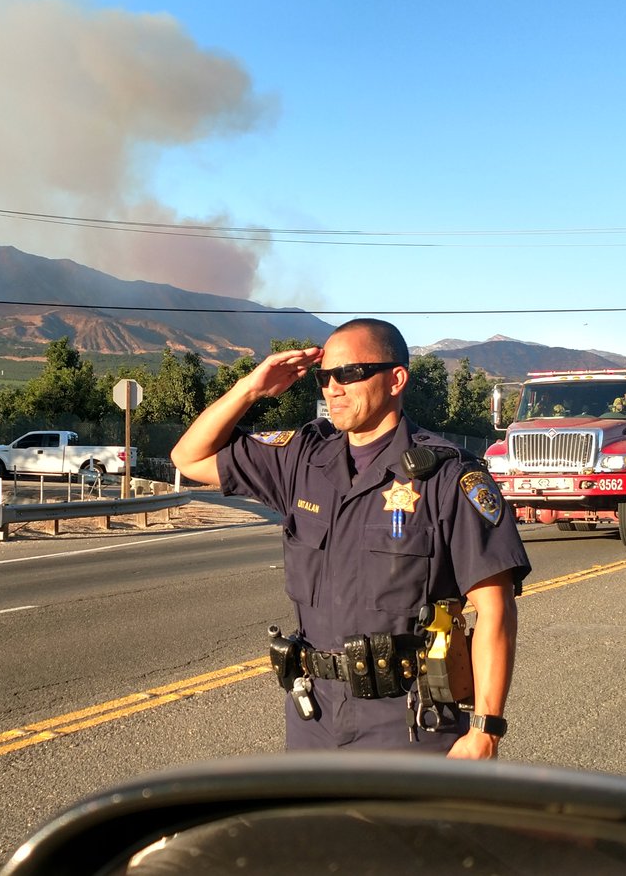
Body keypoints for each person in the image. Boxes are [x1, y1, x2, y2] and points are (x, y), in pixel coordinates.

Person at [171, 318, 531, 759]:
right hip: (314, 721)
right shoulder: (302, 459)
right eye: (324, 376)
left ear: (396, 379)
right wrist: (249, 388)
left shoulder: (446, 475)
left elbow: (495, 609)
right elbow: (189, 457)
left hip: (413, 724)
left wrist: (485, 731)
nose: (332, 388)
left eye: (349, 374)